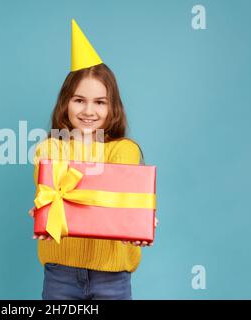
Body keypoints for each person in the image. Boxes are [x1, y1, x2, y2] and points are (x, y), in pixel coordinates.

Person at [28, 19, 158, 300]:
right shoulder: (51, 148)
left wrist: (137, 217)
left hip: (112, 277)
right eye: (79, 100)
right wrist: (46, 209)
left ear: (113, 108)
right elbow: (52, 176)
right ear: (65, 103)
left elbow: (119, 192)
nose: (89, 110)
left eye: (100, 102)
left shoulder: (123, 150)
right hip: (60, 273)